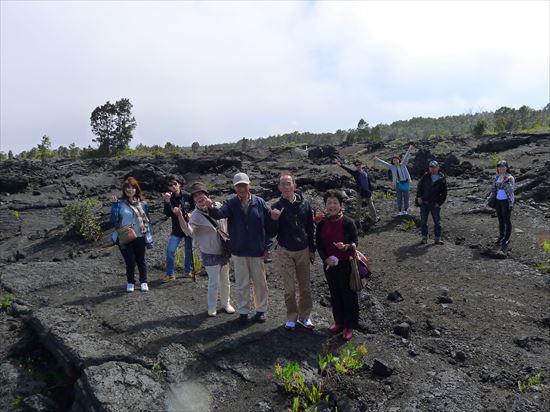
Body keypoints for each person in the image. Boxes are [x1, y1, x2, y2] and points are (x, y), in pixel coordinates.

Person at [205, 172, 272, 326]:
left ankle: (261, 310)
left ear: (249, 185)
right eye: (238, 186)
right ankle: (243, 311)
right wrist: (211, 207)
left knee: (260, 283)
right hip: (239, 250)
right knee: (241, 283)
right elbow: (220, 214)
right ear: (234, 188)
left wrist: (267, 246)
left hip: (257, 251)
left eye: (244, 185)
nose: (241, 188)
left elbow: (269, 225)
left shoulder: (260, 202)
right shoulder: (231, 203)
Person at [173, 182, 235, 316]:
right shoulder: (195, 215)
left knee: (225, 280)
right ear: (193, 199)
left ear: (207, 194)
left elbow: (229, 222)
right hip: (209, 251)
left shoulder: (218, 206)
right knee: (214, 281)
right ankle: (211, 307)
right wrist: (179, 216)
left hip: (224, 249)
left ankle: (226, 303)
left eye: (201, 194)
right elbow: (188, 232)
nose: (199, 197)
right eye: (195, 196)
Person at [269, 174, 316, 330]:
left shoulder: (305, 204)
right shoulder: (276, 206)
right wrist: (274, 220)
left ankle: (305, 317)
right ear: (279, 188)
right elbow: (271, 232)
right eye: (283, 184)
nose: (286, 187)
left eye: (289, 183)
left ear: (294, 185)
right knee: (289, 288)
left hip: (303, 250)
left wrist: (312, 249)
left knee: (305, 287)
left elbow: (310, 227)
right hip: (285, 251)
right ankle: (291, 317)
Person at [315, 190, 359, 341]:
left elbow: (355, 243)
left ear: (341, 205)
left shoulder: (348, 222)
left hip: (346, 264)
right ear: (325, 205)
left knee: (348, 294)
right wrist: (325, 259)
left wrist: (346, 247)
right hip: (330, 266)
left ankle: (349, 325)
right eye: (329, 203)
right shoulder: (321, 224)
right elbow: (319, 244)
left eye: (335, 203)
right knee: (334, 293)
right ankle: (339, 321)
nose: (332, 206)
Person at [110, 177, 151, 292]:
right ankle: (130, 282)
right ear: (124, 189)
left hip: (140, 234)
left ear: (136, 189)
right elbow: (113, 220)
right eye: (128, 187)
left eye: (133, 187)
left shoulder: (142, 203)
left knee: (140, 259)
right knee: (129, 260)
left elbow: (147, 220)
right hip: (125, 235)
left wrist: (148, 235)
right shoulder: (119, 203)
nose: (130, 190)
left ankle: (144, 281)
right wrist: (114, 206)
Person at [161, 175, 194, 282]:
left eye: (175, 184)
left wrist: (190, 213)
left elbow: (195, 208)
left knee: (189, 250)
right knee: (170, 250)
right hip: (176, 229)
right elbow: (167, 213)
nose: (173, 186)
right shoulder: (169, 197)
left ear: (179, 184)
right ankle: (170, 274)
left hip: (189, 228)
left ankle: (188, 270)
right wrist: (166, 201)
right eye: (170, 185)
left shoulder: (188, 196)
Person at [374, 145, 414, 215]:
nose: (395, 161)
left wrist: (409, 149)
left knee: (406, 197)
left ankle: (405, 210)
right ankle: (399, 211)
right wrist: (377, 159)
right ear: (392, 161)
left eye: (396, 159)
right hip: (398, 184)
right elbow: (384, 163)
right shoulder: (392, 167)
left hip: (405, 183)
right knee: (399, 198)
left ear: (399, 160)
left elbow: (406, 157)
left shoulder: (403, 165)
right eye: (394, 160)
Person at [416, 160, 448, 245]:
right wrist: (418, 197)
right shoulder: (425, 176)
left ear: (438, 167)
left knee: (437, 222)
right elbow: (419, 186)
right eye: (431, 167)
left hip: (435, 204)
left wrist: (439, 202)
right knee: (423, 221)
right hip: (425, 202)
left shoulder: (442, 178)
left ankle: (437, 238)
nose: (433, 169)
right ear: (429, 168)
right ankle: (424, 238)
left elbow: (444, 193)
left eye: (434, 167)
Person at [337, 160, 378, 224]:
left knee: (371, 205)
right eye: (356, 165)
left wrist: (371, 190)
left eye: (359, 164)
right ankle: (357, 221)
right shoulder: (355, 173)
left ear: (361, 165)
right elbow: (348, 170)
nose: (358, 166)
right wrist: (341, 165)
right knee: (358, 206)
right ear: (355, 166)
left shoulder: (365, 172)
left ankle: (375, 219)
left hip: (367, 191)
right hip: (360, 192)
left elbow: (368, 182)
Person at [488, 160, 515, 252]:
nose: (501, 169)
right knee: (500, 220)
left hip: (506, 201)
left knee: (507, 220)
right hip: (498, 201)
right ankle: (501, 236)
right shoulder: (496, 177)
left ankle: (506, 238)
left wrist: (505, 180)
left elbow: (511, 190)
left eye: (503, 167)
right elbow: (493, 188)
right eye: (499, 167)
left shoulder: (510, 178)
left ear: (506, 168)